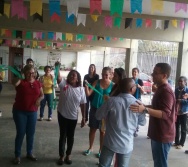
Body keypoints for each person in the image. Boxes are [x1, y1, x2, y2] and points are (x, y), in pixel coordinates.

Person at [130, 63, 176, 167]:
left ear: (164, 75)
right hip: (158, 133)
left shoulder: (166, 91)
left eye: (155, 73)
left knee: (160, 164)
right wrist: (144, 106)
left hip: (163, 134)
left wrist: (145, 109)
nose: (152, 75)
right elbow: (157, 106)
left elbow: (164, 114)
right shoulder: (160, 88)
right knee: (158, 162)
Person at [96, 78, 146, 167]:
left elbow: (98, 115)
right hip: (126, 144)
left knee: (103, 165)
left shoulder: (111, 101)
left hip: (110, 142)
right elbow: (142, 122)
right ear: (132, 89)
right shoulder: (138, 104)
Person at [12, 64, 44, 165]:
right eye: (29, 72)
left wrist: (39, 99)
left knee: (31, 133)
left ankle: (29, 153)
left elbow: (42, 95)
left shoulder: (38, 83)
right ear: (25, 73)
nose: (31, 74)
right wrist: (21, 75)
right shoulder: (21, 82)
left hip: (33, 112)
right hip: (20, 111)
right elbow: (14, 83)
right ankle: (17, 155)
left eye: (33, 72)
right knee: (21, 133)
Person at [56, 67, 86, 165]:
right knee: (62, 135)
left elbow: (83, 104)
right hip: (62, 114)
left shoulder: (81, 89)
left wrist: (84, 118)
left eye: (74, 75)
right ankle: (61, 156)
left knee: (70, 136)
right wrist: (57, 68)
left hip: (73, 117)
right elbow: (58, 78)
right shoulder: (64, 84)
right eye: (71, 75)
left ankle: (68, 155)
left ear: (78, 79)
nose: (72, 76)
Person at [84, 67, 113, 157]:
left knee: (102, 131)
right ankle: (90, 147)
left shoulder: (113, 85)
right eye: (103, 74)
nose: (104, 76)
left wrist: (109, 98)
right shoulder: (97, 82)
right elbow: (88, 94)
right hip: (94, 109)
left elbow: (115, 100)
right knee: (92, 129)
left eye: (106, 75)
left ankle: (101, 150)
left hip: (105, 112)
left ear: (110, 75)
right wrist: (86, 86)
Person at [173, 76, 188, 149]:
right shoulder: (176, 90)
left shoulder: (187, 90)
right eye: (179, 81)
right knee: (176, 127)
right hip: (176, 111)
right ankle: (176, 142)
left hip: (183, 112)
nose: (180, 83)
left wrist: (181, 100)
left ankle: (181, 143)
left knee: (183, 128)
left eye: (181, 81)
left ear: (185, 82)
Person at [132, 67, 144, 137]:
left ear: (138, 73)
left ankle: (136, 129)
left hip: (138, 99)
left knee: (136, 115)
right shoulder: (130, 80)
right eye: (133, 71)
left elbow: (143, 91)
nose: (134, 73)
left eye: (135, 72)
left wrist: (139, 87)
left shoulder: (140, 81)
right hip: (130, 99)